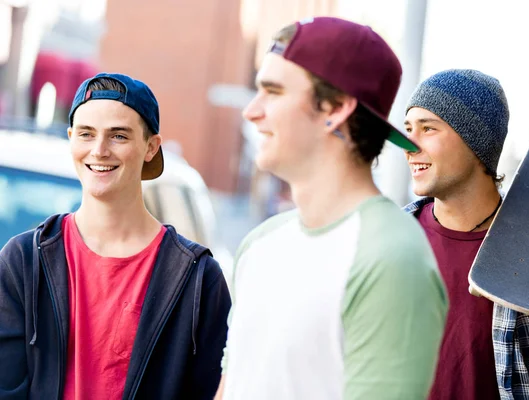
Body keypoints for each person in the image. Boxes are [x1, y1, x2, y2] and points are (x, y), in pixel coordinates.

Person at [214, 17, 448, 400]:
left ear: (335, 108)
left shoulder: (391, 260)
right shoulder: (260, 243)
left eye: (273, 91)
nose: (251, 111)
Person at [0, 73, 231, 399]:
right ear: (71, 139)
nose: (99, 150)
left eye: (118, 136)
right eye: (86, 134)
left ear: (151, 147)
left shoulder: (197, 279)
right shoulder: (24, 261)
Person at [403, 69, 529, 399]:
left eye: (428, 129)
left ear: (476, 142)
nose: (409, 145)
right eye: (408, 129)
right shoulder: (388, 241)